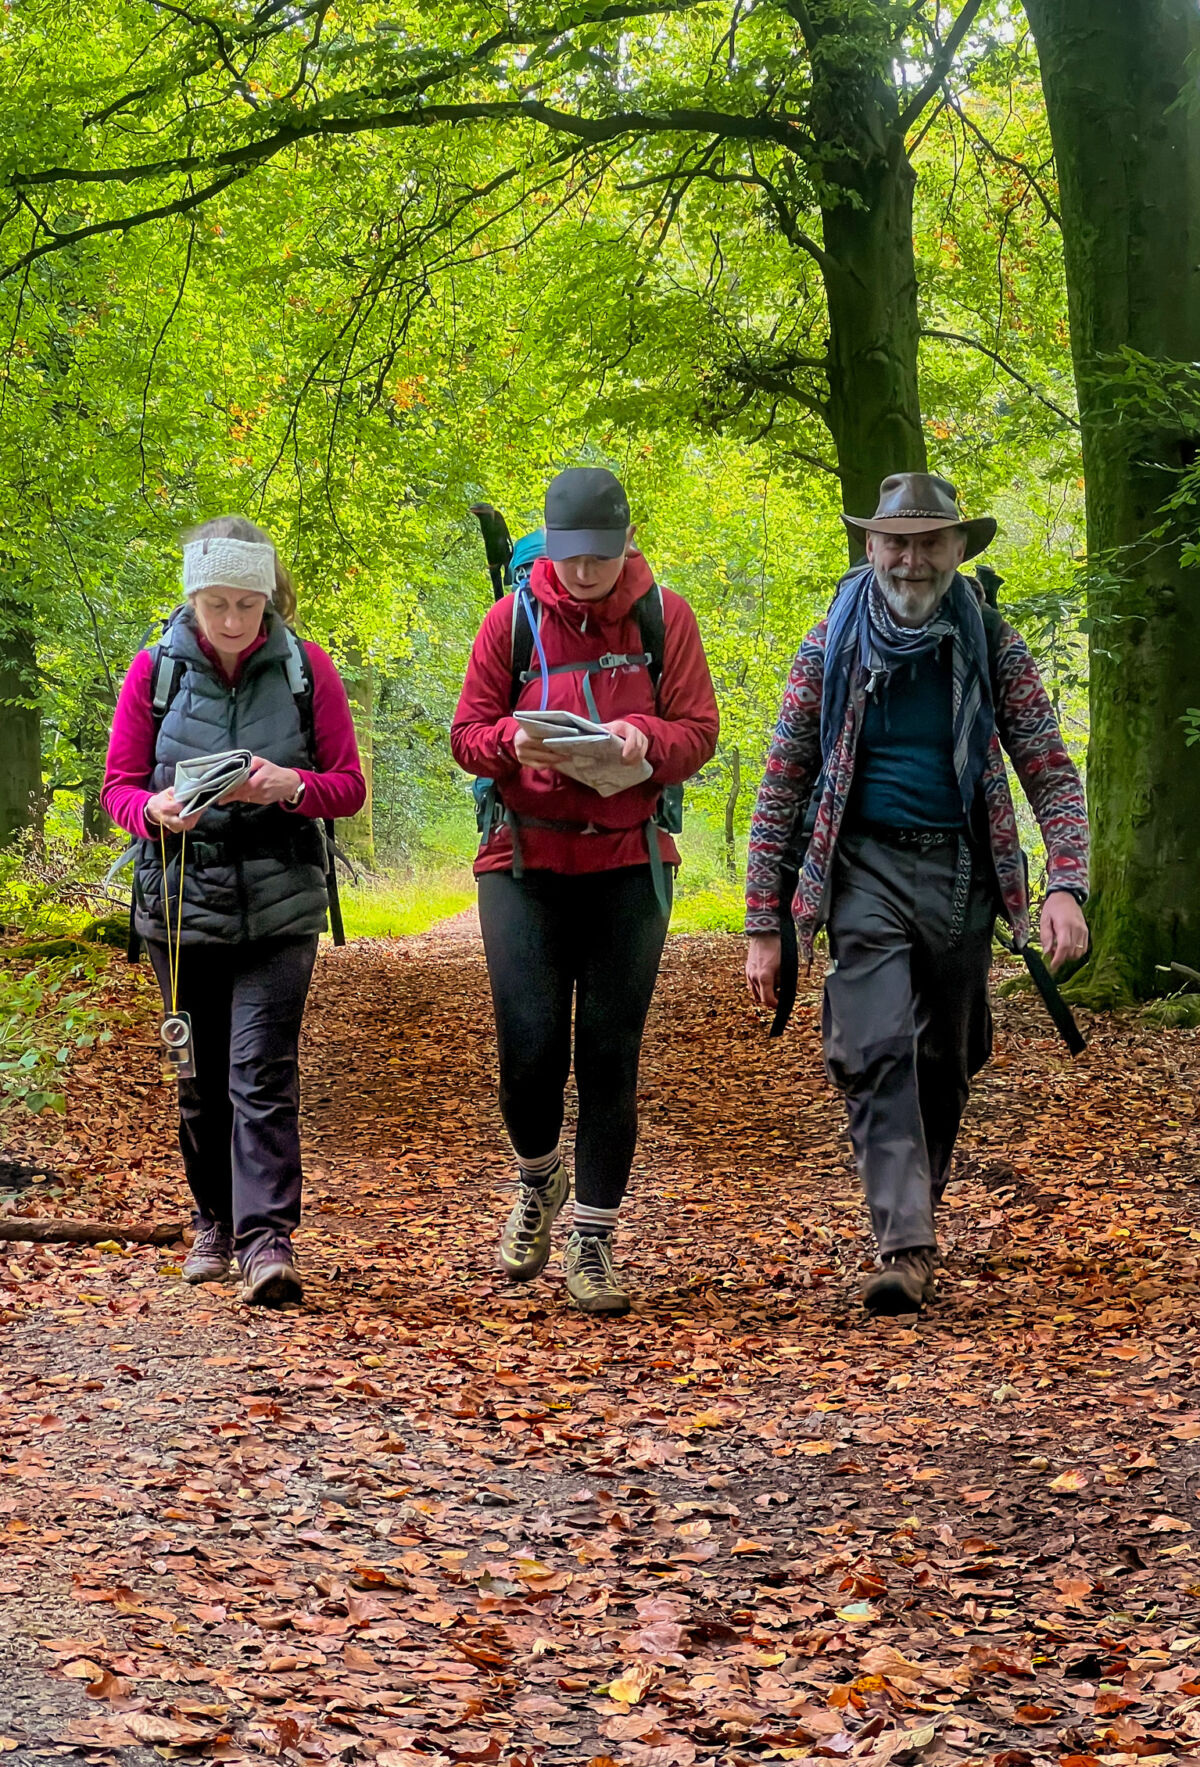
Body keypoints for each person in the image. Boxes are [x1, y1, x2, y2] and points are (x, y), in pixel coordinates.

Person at [745, 473, 1089, 1316]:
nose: (910, 558)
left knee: (946, 1057)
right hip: (859, 867)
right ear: (870, 548)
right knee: (873, 1047)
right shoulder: (831, 641)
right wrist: (766, 919)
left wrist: (1065, 883)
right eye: (895, 541)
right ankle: (903, 1244)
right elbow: (784, 779)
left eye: (930, 540)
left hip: (965, 873)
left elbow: (1047, 766)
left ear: (959, 549)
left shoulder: (992, 642)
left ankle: (913, 1212)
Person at [452, 466, 719, 1315]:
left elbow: (699, 730)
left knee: (610, 1056)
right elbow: (465, 734)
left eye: (599, 555)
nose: (583, 571)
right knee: (528, 1049)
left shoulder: (663, 617)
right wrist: (514, 742)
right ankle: (539, 1177)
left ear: (627, 544)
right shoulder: (512, 619)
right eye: (570, 556)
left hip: (629, 866)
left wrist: (639, 739)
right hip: (523, 863)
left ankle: (594, 1242)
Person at [102, 517, 366, 1306]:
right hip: (181, 905)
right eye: (214, 603)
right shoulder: (153, 671)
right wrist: (157, 810)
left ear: (268, 599)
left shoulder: (304, 669)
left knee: (261, 1070)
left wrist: (288, 786)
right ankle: (212, 1216)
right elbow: (117, 788)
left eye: (245, 605)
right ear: (191, 597)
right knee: (200, 1077)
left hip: (282, 901)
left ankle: (266, 1241)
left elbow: (346, 784)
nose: (228, 621)